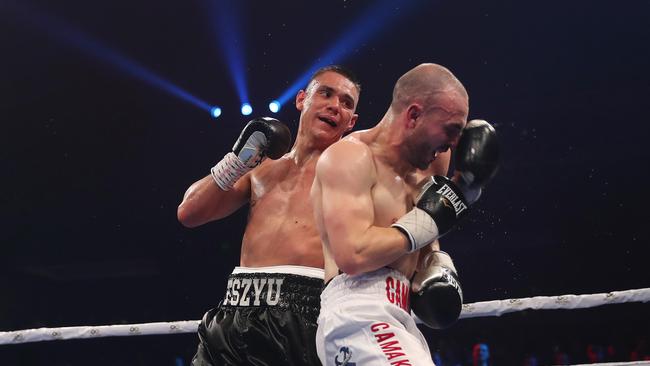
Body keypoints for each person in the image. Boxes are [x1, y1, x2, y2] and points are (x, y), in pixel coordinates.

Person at [311, 63, 499, 365]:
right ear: (413, 115)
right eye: (450, 130)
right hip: (357, 311)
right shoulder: (350, 158)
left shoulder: (432, 163)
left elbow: (427, 238)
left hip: (402, 316)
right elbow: (353, 255)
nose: (453, 143)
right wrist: (432, 219)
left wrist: (438, 265)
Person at [177, 65, 361, 365]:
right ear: (302, 99)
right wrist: (238, 160)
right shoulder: (260, 167)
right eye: (325, 93)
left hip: (304, 312)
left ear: (351, 122)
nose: (334, 106)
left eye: (346, 103)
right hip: (234, 311)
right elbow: (189, 212)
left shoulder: (353, 170)